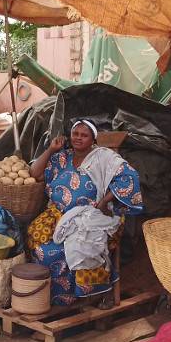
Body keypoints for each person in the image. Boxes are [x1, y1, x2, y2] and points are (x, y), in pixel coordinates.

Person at [27, 118, 144, 306]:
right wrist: (50, 149)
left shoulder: (103, 157)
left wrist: (105, 202)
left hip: (91, 218)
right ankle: (52, 297)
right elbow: (34, 173)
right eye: (75, 134)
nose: (78, 138)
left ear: (93, 139)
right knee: (36, 237)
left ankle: (77, 297)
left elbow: (129, 177)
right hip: (58, 216)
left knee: (57, 251)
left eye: (84, 135)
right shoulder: (61, 157)